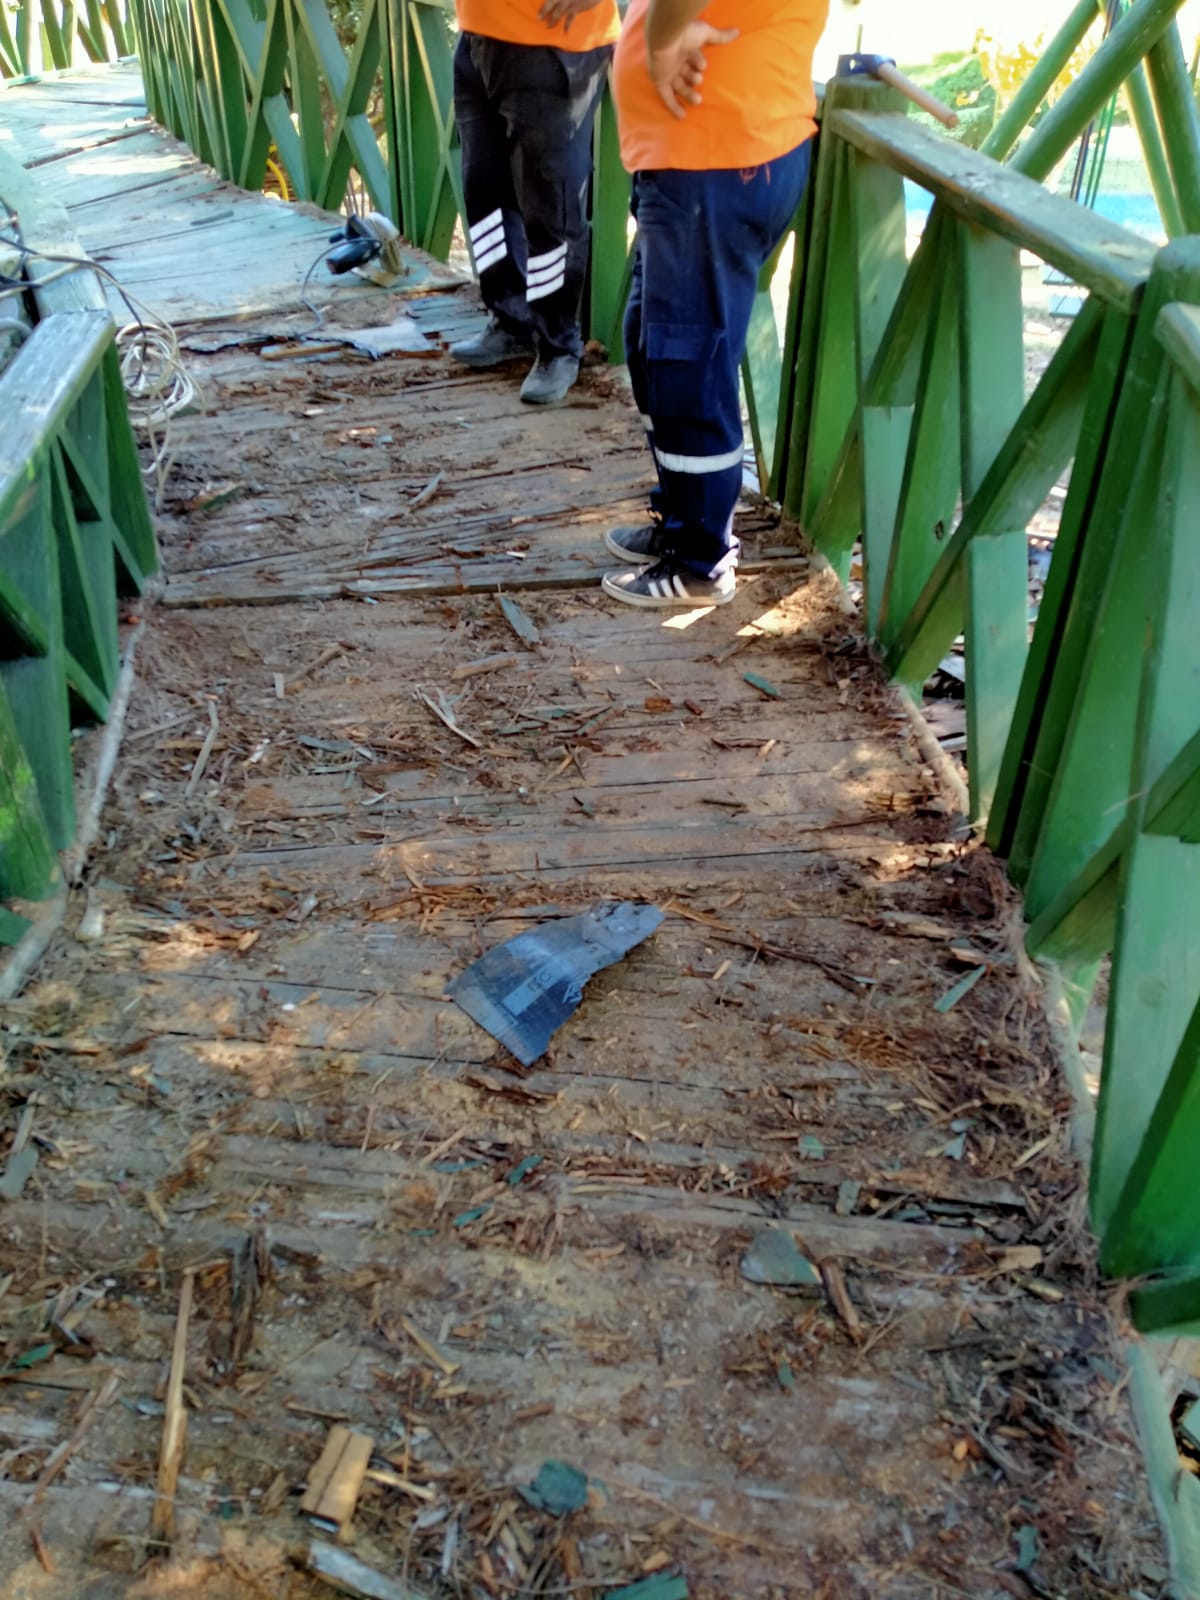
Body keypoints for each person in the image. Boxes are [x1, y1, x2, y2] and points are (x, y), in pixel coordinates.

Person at [603, 0, 830, 606]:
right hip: (698, 156)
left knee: (688, 366)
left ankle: (702, 560)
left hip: (717, 158)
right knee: (654, 350)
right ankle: (683, 524)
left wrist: (658, 46)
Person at [450, 0, 620, 404]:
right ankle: (512, 320)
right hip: (479, 35)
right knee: (485, 190)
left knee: (551, 206)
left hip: (551, 42)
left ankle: (557, 345)